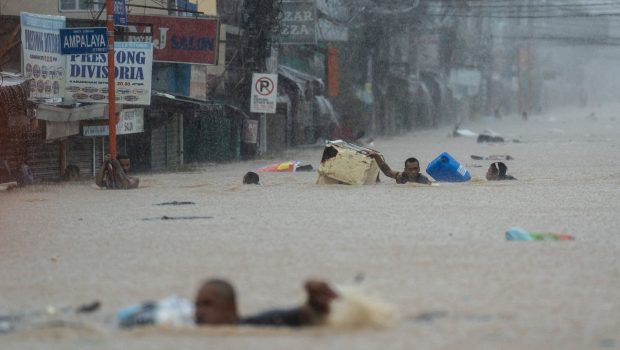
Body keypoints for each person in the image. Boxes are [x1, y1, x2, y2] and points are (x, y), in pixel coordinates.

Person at [194, 279, 338, 327]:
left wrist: (315, 302)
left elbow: (302, 315)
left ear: (230, 308)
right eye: (197, 305)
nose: (199, 311)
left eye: (207, 304)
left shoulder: (260, 323)